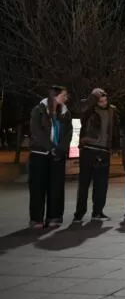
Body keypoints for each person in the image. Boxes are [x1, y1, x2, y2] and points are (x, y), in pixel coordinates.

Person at [74, 88, 121, 221]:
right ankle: (79, 213)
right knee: (84, 184)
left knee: (101, 185)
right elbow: (79, 109)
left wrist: (116, 146)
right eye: (100, 101)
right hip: (88, 149)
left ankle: (97, 212)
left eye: (105, 100)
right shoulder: (89, 109)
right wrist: (92, 98)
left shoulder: (113, 110)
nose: (104, 103)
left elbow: (115, 129)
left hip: (104, 150)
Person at [28, 86, 72, 229]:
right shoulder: (38, 110)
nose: (66, 98)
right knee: (38, 187)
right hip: (40, 154)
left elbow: (68, 133)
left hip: (57, 155)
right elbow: (36, 131)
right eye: (64, 95)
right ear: (55, 96)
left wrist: (60, 149)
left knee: (56, 187)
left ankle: (54, 217)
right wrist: (51, 147)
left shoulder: (65, 113)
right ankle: (36, 219)